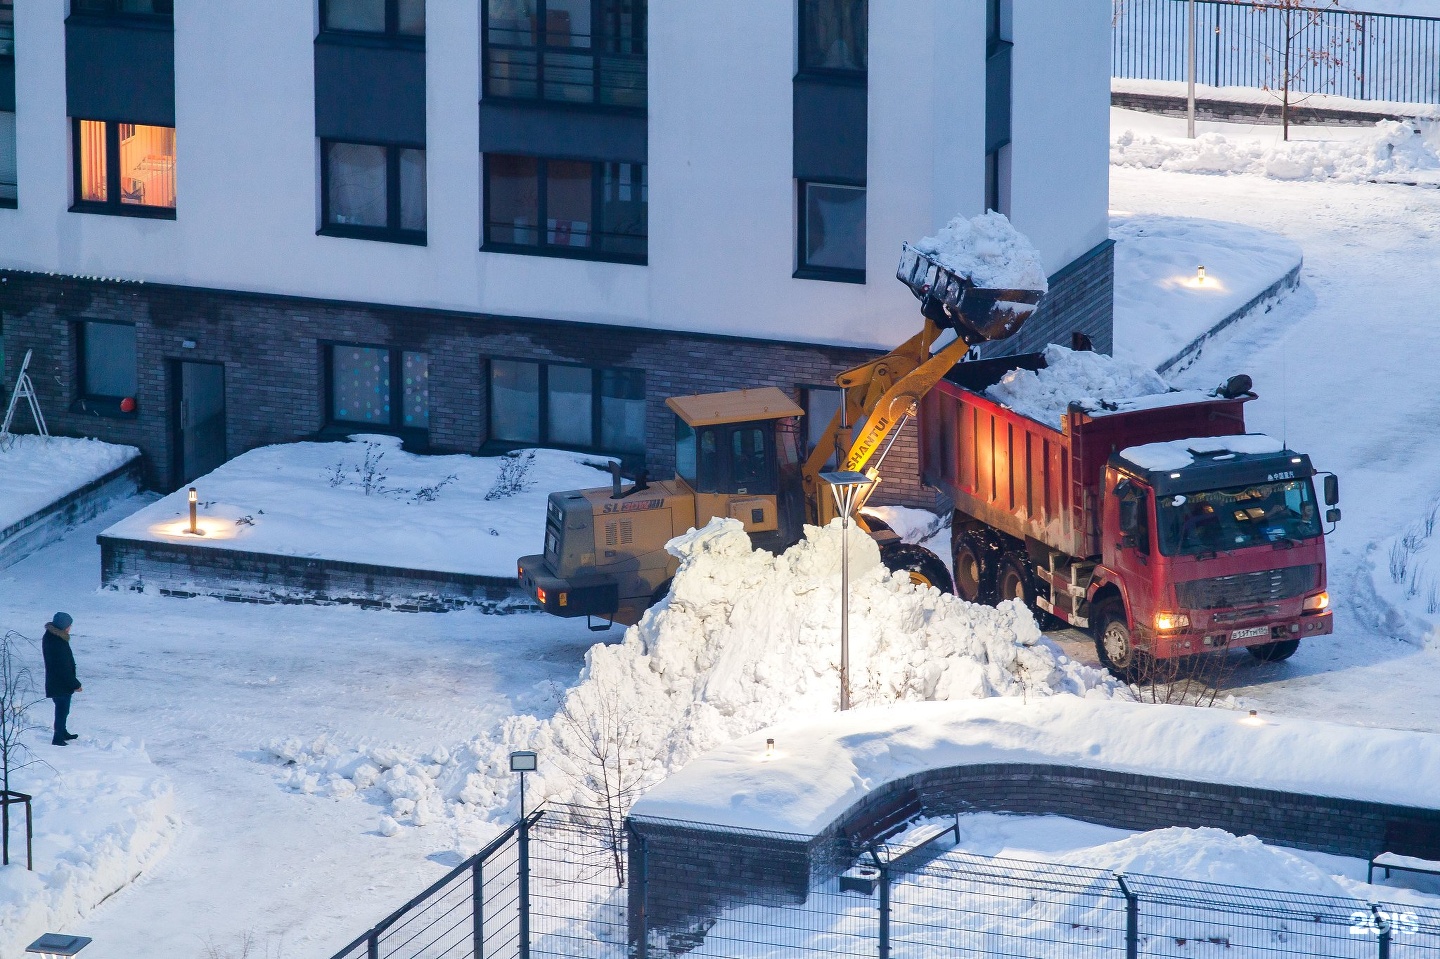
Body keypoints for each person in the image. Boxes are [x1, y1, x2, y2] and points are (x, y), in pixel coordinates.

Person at [42, 612, 81, 746]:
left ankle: (62, 732)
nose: (70, 628)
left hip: (56, 681)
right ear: (64, 627)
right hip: (60, 683)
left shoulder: (52, 637)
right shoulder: (58, 642)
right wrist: (75, 684)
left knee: (63, 709)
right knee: (62, 710)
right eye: (69, 625)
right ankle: (58, 738)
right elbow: (63, 667)